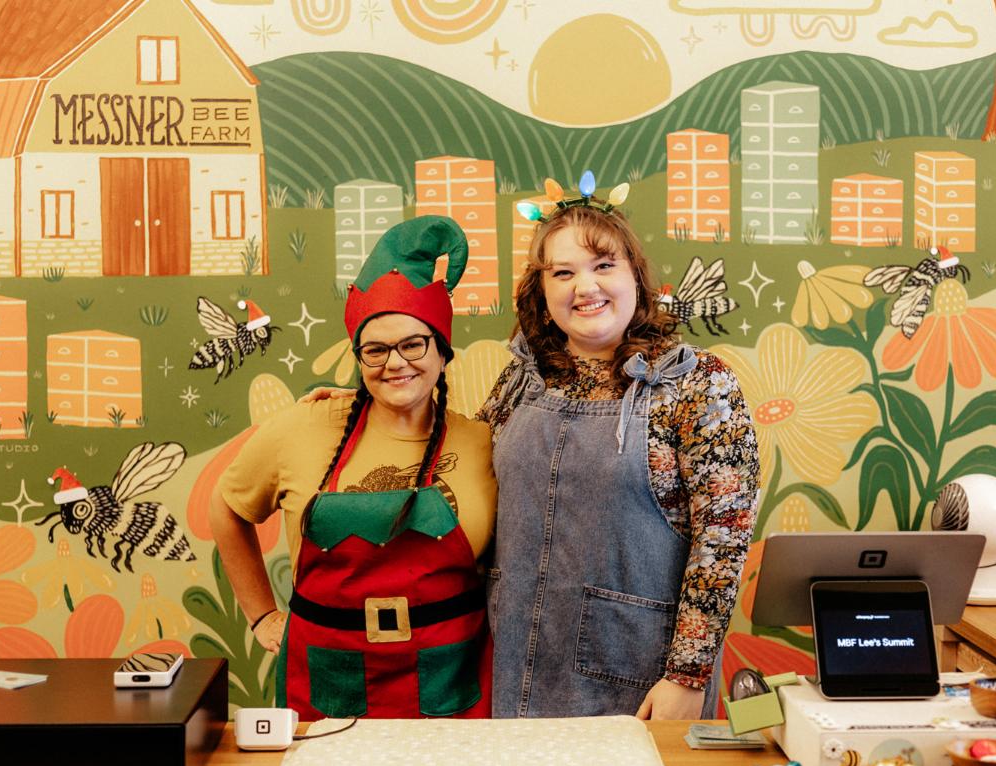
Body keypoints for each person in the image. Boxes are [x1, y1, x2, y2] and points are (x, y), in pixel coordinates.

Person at [480, 178, 760, 719]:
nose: (585, 286)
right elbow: (460, 473)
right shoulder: (520, 382)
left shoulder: (697, 384)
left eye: (603, 265)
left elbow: (722, 542)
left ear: (636, 275)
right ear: (542, 292)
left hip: (640, 679)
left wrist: (687, 676)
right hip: (512, 665)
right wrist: (363, 410)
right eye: (563, 272)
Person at [211, 215, 496, 719]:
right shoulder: (303, 427)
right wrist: (261, 617)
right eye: (376, 349)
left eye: (413, 344)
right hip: (329, 679)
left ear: (442, 349)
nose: (395, 363)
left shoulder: (483, 441)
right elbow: (226, 507)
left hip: (450, 680)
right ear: (359, 357)